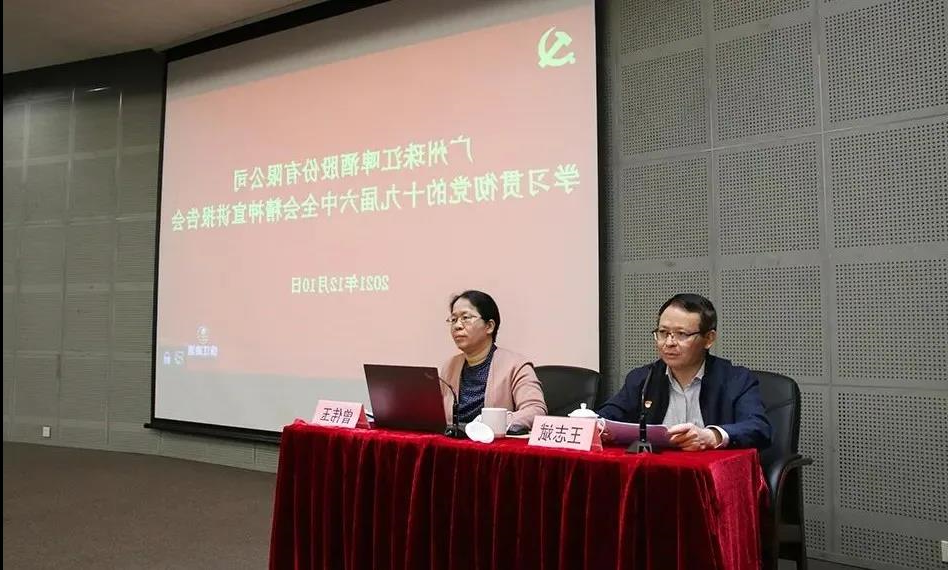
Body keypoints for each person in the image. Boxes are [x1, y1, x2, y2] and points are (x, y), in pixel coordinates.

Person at [598, 293, 772, 450]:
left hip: (710, 473)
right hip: (654, 471)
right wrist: (595, 422)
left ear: (709, 339)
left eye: (681, 334)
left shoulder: (736, 380)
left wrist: (712, 436)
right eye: (663, 332)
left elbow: (758, 427)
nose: (669, 343)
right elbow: (607, 417)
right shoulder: (643, 378)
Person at [440, 290, 547, 430]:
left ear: (489, 326)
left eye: (465, 318)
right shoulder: (450, 366)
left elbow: (535, 411)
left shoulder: (516, 365)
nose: (457, 326)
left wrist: (492, 422)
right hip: (453, 442)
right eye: (453, 319)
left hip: (493, 443)